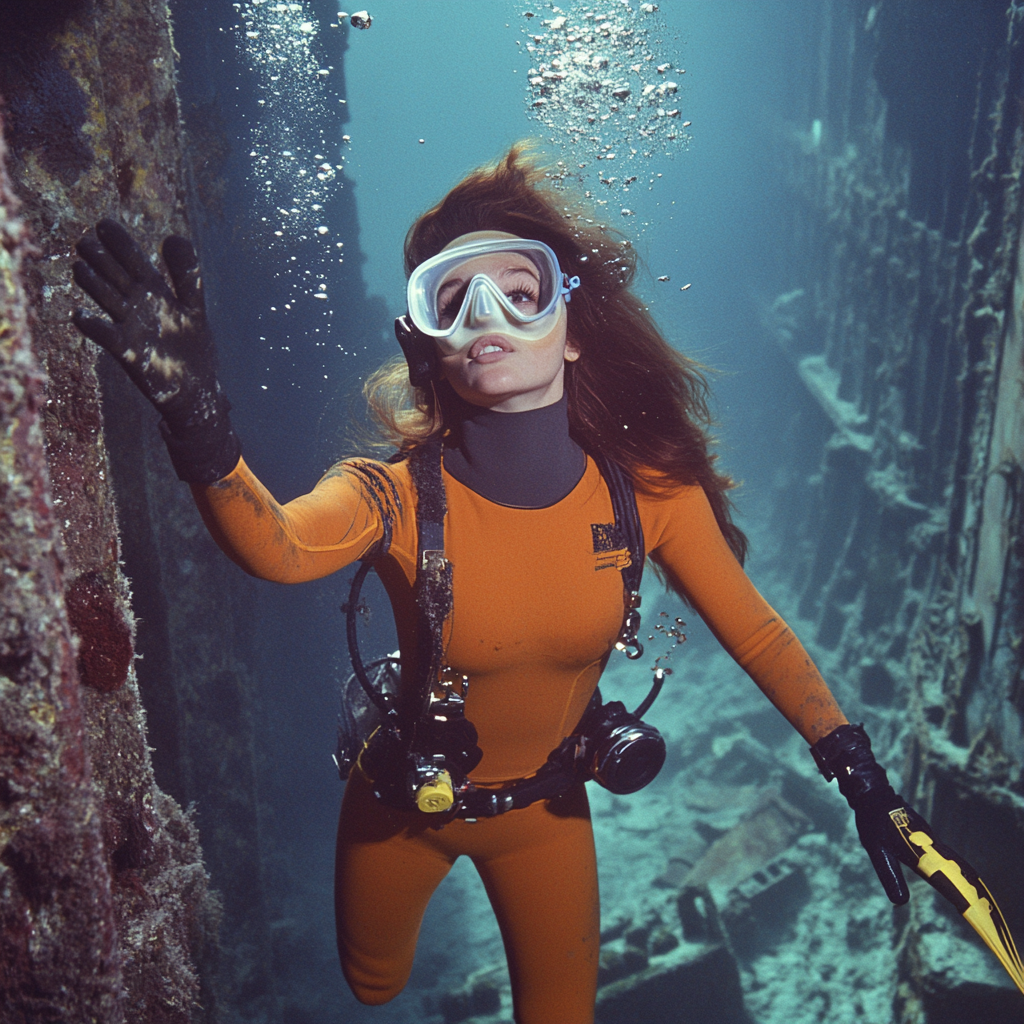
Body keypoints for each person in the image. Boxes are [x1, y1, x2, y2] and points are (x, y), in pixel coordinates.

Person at [72, 146, 931, 1024]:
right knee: (374, 985)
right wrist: (199, 422)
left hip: (545, 812)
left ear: (573, 325)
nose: (489, 316)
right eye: (453, 301)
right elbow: (280, 547)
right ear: (426, 348)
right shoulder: (391, 495)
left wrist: (851, 763)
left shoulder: (650, 498)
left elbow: (757, 634)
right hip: (402, 798)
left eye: (520, 294)